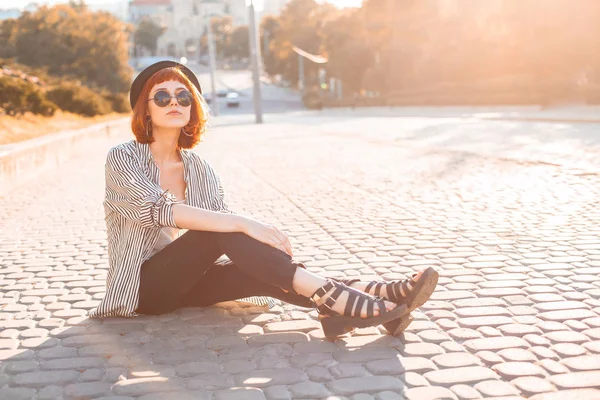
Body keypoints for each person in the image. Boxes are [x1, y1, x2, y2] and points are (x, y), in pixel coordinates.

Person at [88, 61, 439, 339]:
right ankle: (357, 297)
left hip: (188, 284)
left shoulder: (199, 167)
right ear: (145, 111)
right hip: (144, 289)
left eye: (183, 97)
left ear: (193, 108)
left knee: (258, 272)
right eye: (162, 97)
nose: (174, 103)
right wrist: (244, 222)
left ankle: (376, 303)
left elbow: (225, 231)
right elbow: (164, 211)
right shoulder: (123, 158)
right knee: (219, 227)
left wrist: (240, 229)